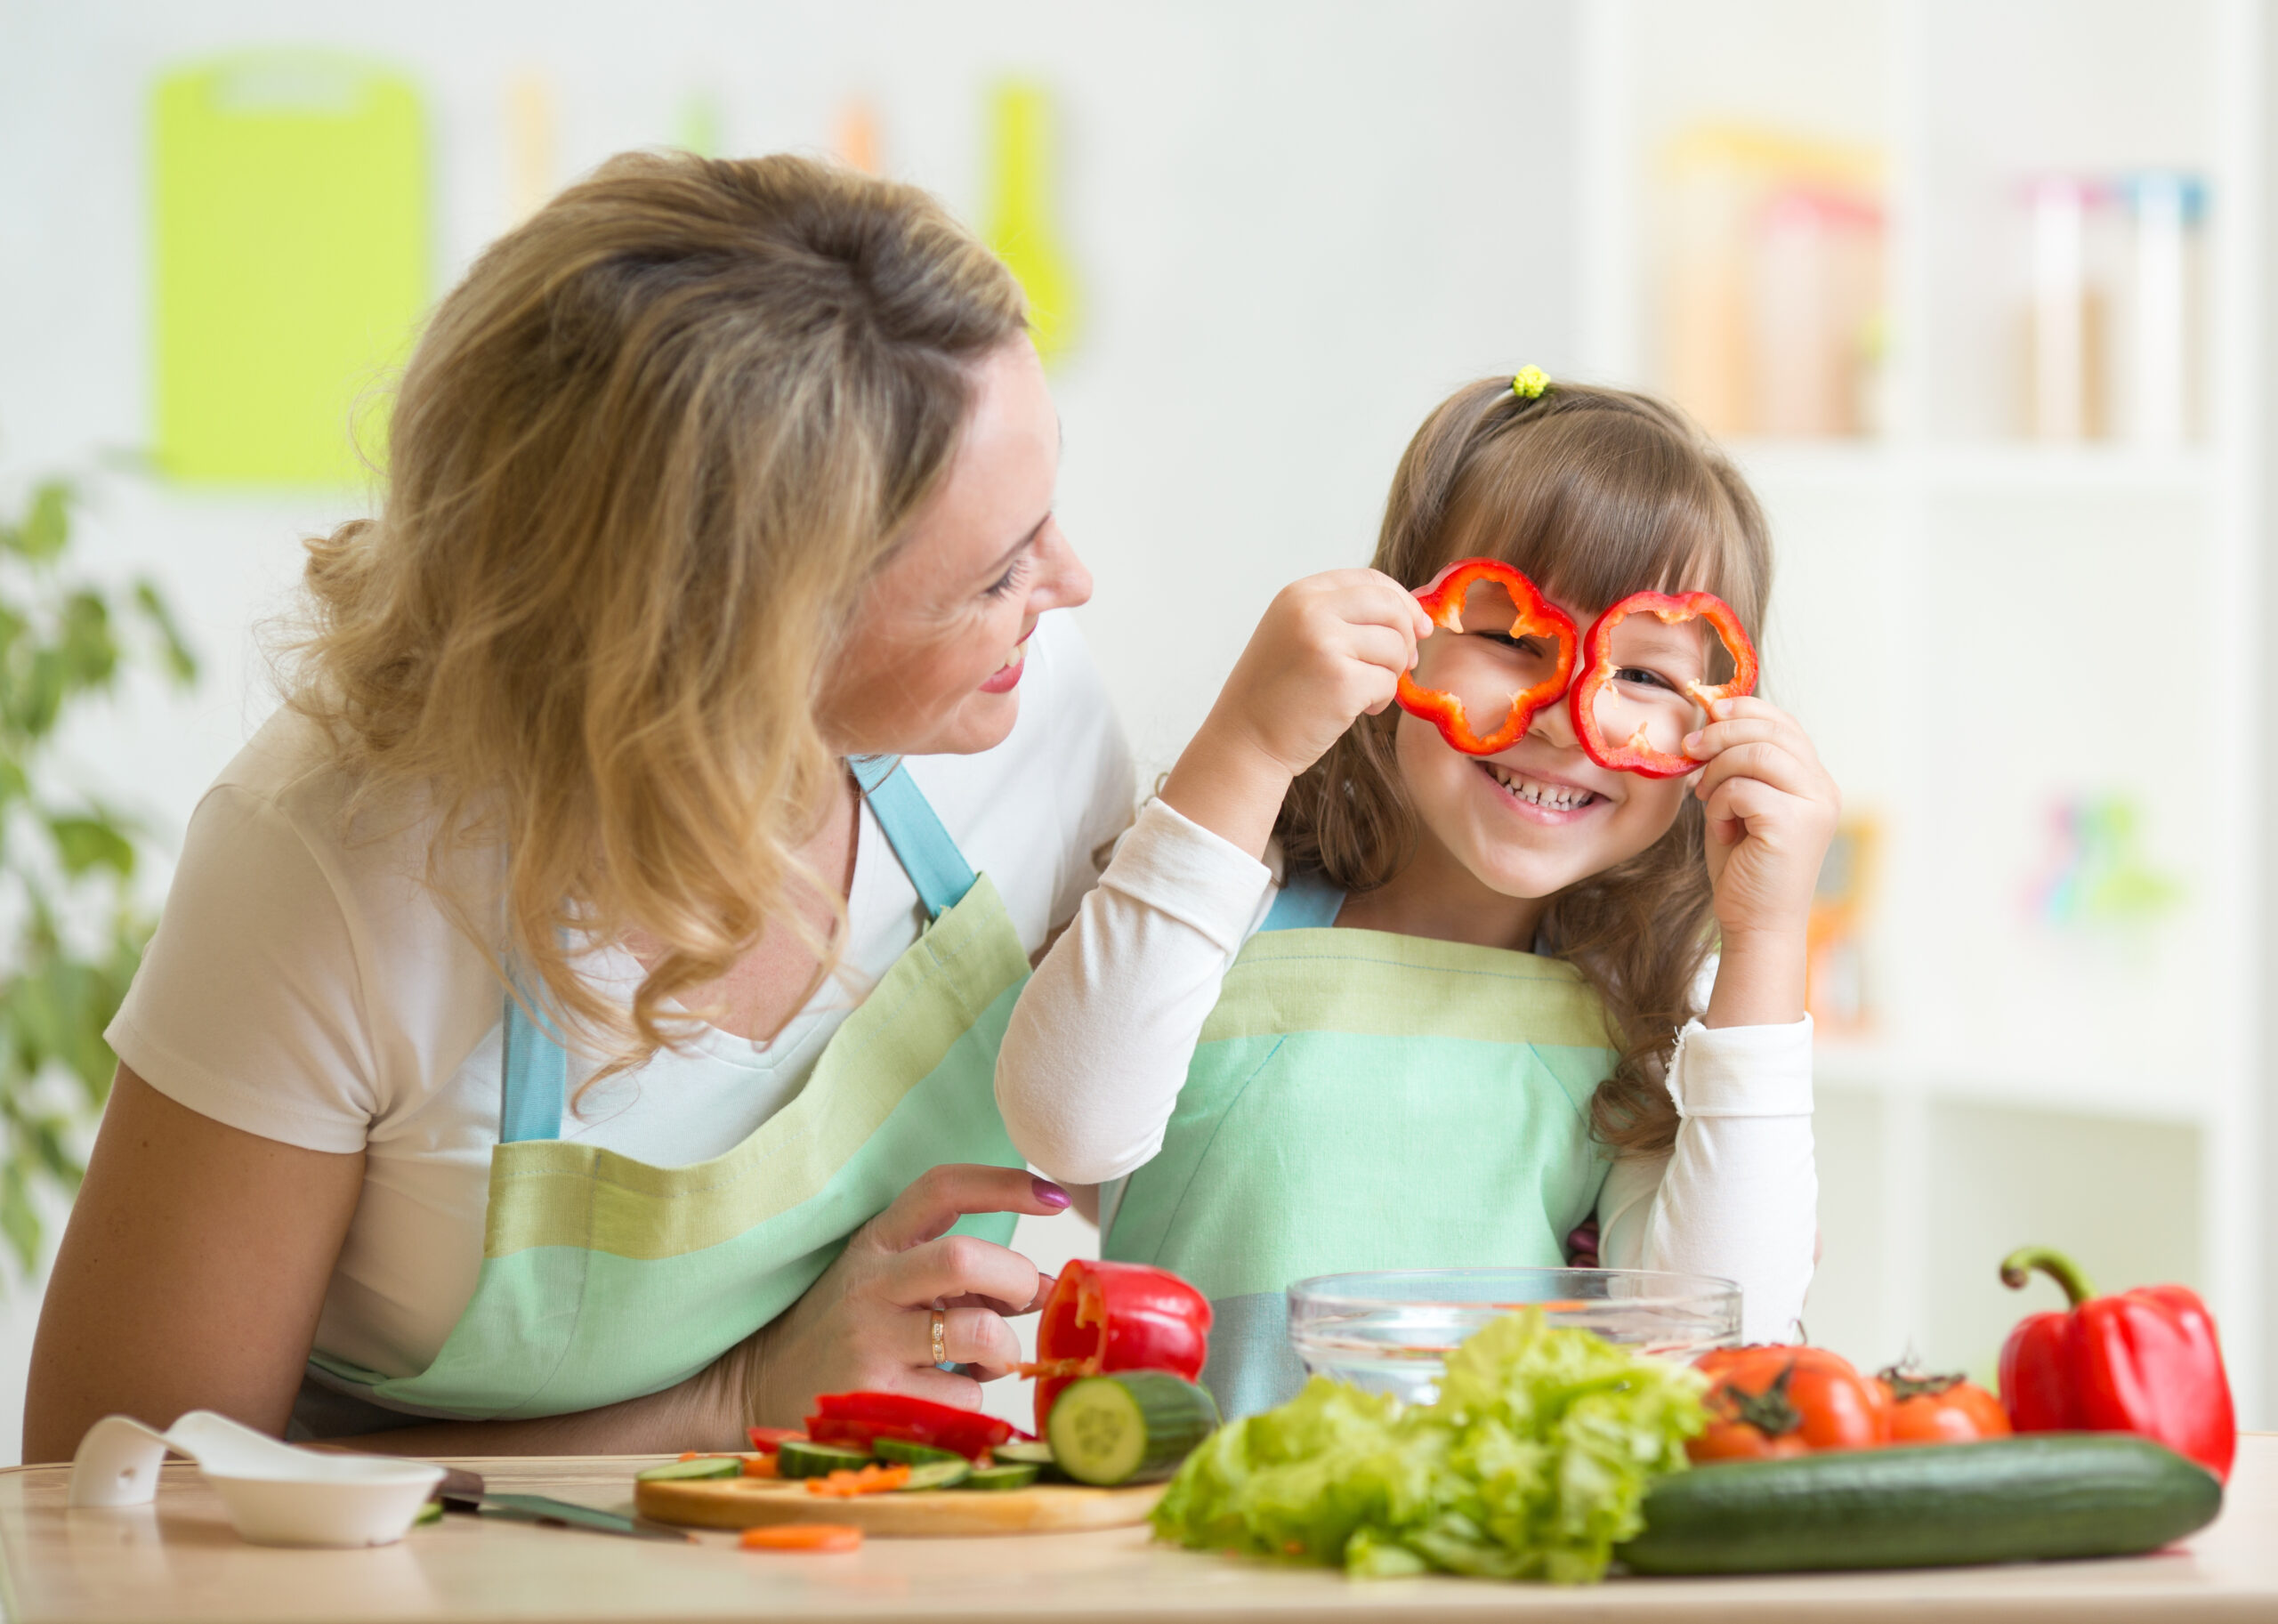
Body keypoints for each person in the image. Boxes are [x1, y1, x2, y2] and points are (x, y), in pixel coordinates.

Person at [24, 151, 1132, 1462]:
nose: (1072, 583)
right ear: (741, 644)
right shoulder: (339, 867)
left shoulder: (1027, 712)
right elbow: (115, 1489)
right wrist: (728, 1408)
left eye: (1045, 516)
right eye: (996, 574)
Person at [997, 375, 1831, 1417]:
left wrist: (1765, 941)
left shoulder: (1642, 1015)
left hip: (1478, 1568)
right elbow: (1065, 1129)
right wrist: (1247, 744)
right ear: (1400, 631)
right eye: (1515, 641)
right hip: (1174, 1551)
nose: (1569, 718)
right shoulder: (1230, 906)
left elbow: (1726, 1344)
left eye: (1648, 677)